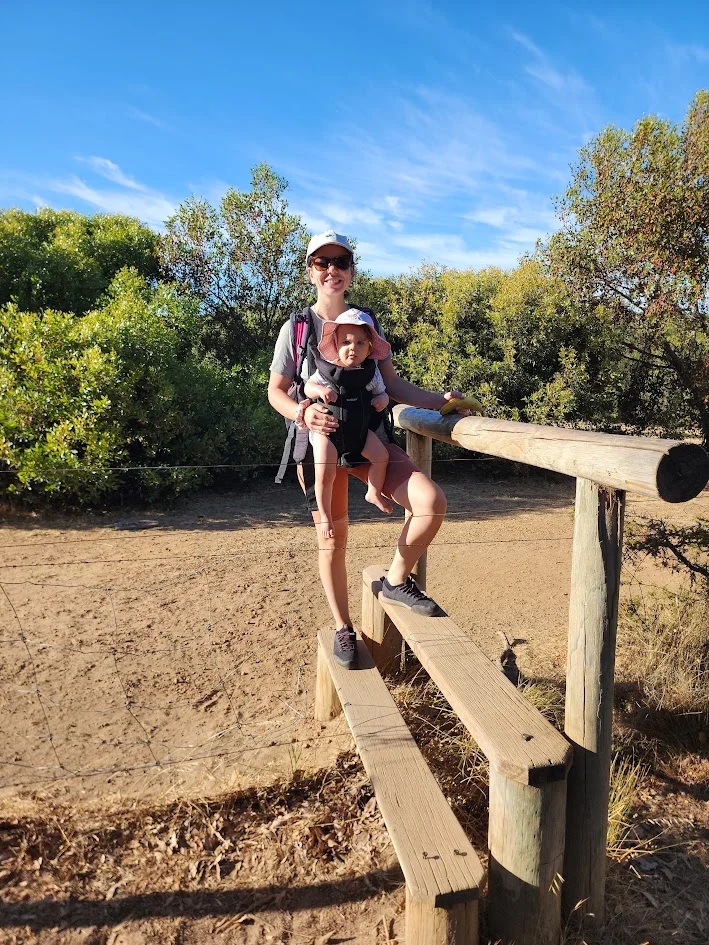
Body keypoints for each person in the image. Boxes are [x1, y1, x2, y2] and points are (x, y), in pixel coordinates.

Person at [268, 230, 469, 669]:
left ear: (352, 271)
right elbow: (276, 392)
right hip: (318, 446)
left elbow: (391, 385)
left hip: (367, 437)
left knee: (431, 502)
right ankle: (344, 628)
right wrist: (303, 414)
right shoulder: (297, 327)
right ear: (310, 271)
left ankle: (395, 579)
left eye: (340, 262)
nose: (332, 270)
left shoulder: (367, 322)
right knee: (333, 539)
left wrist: (442, 402)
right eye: (322, 262)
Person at [304, 309, 393, 540]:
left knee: (381, 457)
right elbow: (308, 388)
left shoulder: (371, 374)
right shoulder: (328, 371)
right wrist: (321, 391)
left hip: (359, 432)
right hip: (329, 432)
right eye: (346, 342)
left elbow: (383, 393)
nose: (352, 347)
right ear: (335, 345)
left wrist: (382, 400)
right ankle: (325, 515)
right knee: (324, 472)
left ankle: (373, 492)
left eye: (360, 342)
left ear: (370, 348)